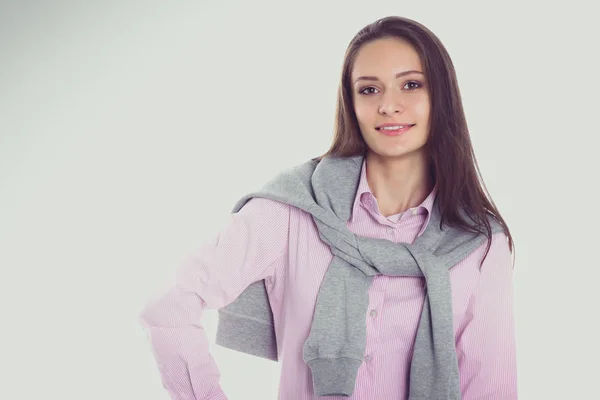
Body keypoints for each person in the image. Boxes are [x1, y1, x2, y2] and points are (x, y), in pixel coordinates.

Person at [139, 15, 517, 399]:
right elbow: (169, 308)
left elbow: (490, 387)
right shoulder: (292, 211)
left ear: (443, 97)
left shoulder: (478, 242)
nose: (389, 105)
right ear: (350, 104)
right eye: (369, 90)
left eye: (412, 85)